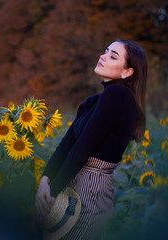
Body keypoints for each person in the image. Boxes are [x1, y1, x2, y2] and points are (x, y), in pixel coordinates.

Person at [35, 39, 147, 239]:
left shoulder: (118, 95)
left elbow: (81, 150)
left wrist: (51, 191)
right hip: (72, 179)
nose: (103, 56)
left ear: (127, 72)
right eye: (105, 51)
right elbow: (66, 145)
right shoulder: (92, 102)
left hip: (91, 188)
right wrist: (45, 180)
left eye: (113, 56)